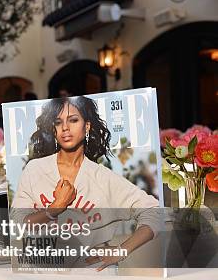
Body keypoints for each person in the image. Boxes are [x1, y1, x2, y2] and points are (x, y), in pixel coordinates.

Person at [11, 96, 161, 271]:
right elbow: (17, 225)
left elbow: (154, 211)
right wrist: (54, 209)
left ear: (87, 126)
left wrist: (122, 250)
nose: (65, 128)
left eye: (73, 120)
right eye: (58, 123)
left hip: (90, 274)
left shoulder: (103, 178)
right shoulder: (35, 169)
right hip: (41, 271)